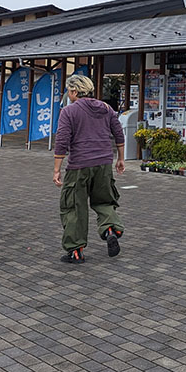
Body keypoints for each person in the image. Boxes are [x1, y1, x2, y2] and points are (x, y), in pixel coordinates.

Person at [53, 74, 126, 263]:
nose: (68, 95)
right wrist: (121, 159)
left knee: (73, 207)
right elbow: (118, 133)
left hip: (79, 166)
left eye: (69, 91)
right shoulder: (106, 108)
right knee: (104, 201)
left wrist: (56, 170)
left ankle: (75, 251)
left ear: (75, 91)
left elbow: (62, 141)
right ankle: (110, 228)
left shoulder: (69, 112)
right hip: (103, 164)